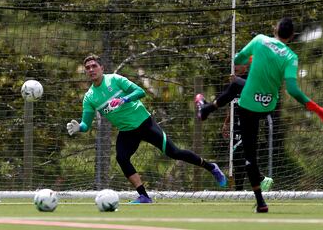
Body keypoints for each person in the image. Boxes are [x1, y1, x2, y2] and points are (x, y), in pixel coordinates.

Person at [199, 17, 323, 213]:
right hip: (268, 105)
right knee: (236, 84)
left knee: (249, 156)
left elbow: (237, 60)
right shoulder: (291, 56)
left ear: (274, 28)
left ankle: (261, 202)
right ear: (292, 36)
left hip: (248, 105)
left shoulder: (260, 40)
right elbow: (293, 90)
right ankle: (206, 110)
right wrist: (318, 109)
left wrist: (250, 60)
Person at [66, 54, 227, 204]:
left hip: (145, 123)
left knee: (174, 153)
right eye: (87, 68)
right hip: (126, 132)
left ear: (101, 67)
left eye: (94, 66)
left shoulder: (115, 80)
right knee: (122, 158)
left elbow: (140, 92)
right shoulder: (89, 97)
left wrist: (124, 99)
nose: (91, 69)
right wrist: (79, 127)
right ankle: (144, 196)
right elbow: (86, 125)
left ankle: (211, 167)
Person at [195, 57, 274, 192]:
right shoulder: (234, 82)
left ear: (246, 66)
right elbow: (231, 104)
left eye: (239, 64)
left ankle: (261, 179)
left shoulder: (250, 78)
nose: (236, 66)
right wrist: (226, 123)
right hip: (235, 124)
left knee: (241, 156)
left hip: (248, 122)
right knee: (237, 158)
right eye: (234, 64)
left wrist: (238, 81)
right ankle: (239, 190)